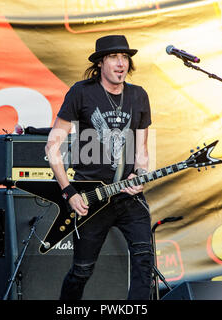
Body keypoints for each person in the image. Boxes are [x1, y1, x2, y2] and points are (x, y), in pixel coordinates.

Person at [45, 35, 153, 300]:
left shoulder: (138, 96)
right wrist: (69, 192)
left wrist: (139, 177)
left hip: (128, 198)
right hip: (91, 198)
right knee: (82, 271)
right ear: (101, 63)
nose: (121, 64)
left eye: (125, 58)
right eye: (114, 57)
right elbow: (52, 147)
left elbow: (142, 151)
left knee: (144, 261)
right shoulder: (82, 93)